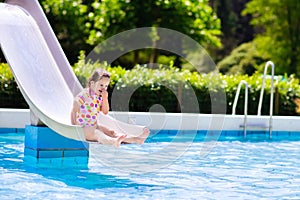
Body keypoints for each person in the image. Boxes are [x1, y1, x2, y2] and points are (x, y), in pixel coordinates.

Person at [71, 68, 149, 147]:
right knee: (98, 134)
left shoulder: (99, 97)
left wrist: (105, 98)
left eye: (106, 86)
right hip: (82, 128)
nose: (103, 88)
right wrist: (74, 127)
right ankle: (114, 141)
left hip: (94, 126)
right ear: (92, 84)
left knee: (111, 132)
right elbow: (74, 108)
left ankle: (136, 139)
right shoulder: (85, 94)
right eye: (101, 85)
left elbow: (105, 112)